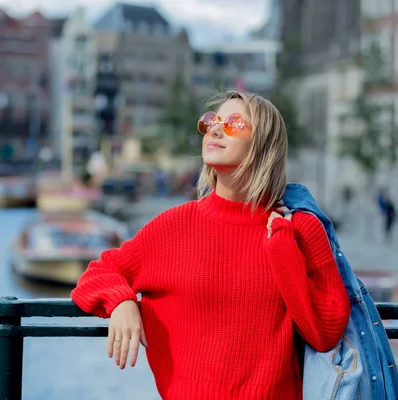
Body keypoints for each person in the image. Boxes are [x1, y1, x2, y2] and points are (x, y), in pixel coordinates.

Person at [71, 90, 350, 399]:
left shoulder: (300, 229)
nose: (215, 129)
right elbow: (96, 274)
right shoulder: (173, 226)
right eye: (212, 121)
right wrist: (120, 302)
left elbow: (325, 332)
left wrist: (284, 252)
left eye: (233, 123)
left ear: (263, 146)